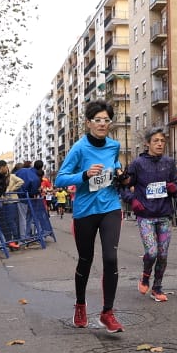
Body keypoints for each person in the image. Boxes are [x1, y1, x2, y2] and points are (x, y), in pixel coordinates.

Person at [55, 102, 126, 331]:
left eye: (106, 120)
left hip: (110, 207)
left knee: (110, 258)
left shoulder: (114, 146)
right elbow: (60, 179)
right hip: (85, 211)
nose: (103, 124)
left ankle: (108, 312)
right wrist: (84, 174)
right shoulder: (79, 148)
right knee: (85, 260)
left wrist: (118, 173)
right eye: (98, 120)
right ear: (89, 123)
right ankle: (80, 304)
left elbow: (115, 165)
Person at [122, 128, 177, 302]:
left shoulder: (169, 163)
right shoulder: (138, 163)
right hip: (145, 215)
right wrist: (132, 200)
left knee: (163, 254)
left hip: (164, 215)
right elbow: (123, 185)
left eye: (162, 141)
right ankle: (145, 276)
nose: (160, 144)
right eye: (155, 141)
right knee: (153, 252)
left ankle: (157, 287)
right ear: (148, 143)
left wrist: (174, 189)